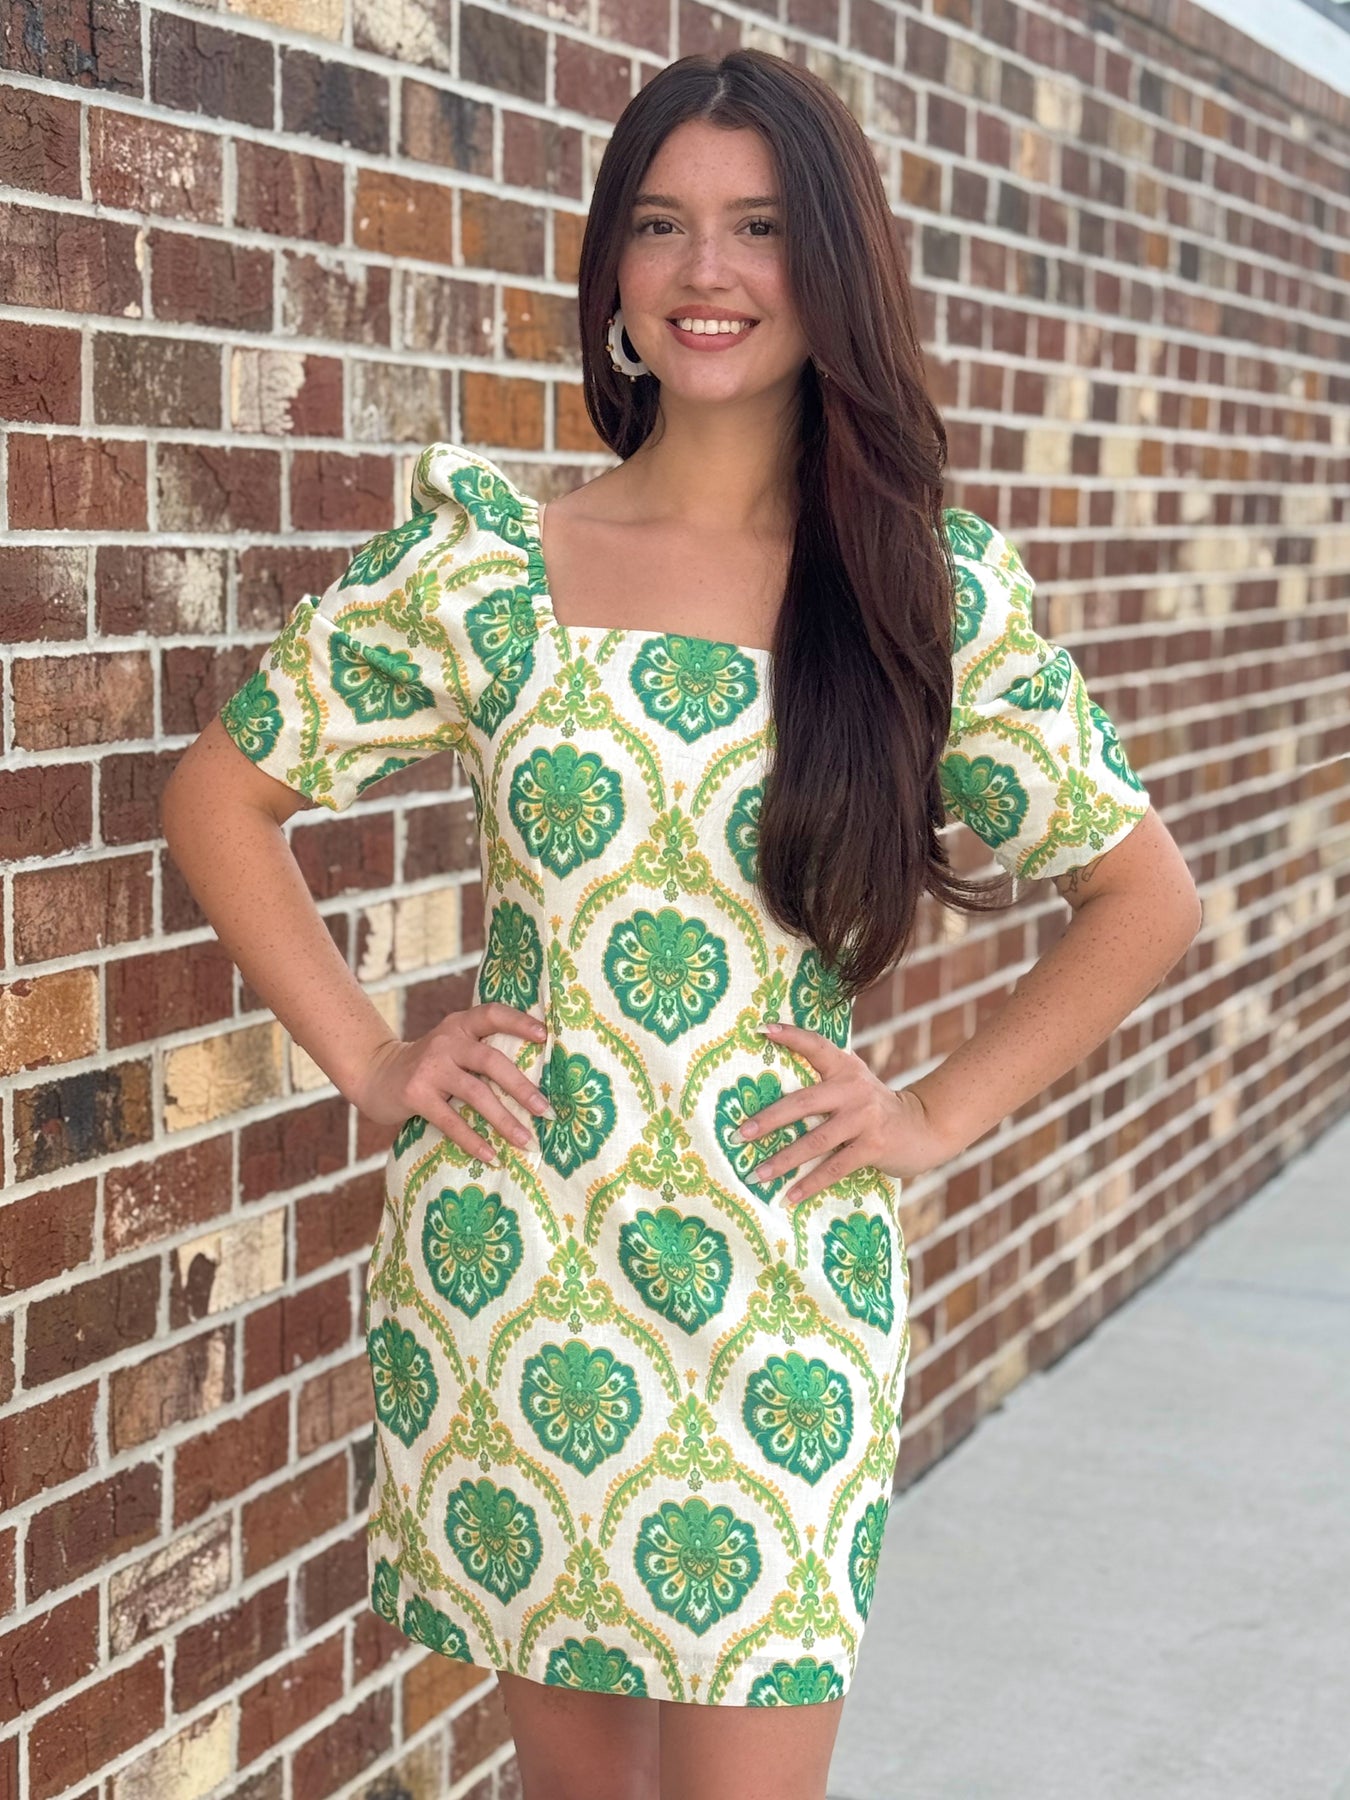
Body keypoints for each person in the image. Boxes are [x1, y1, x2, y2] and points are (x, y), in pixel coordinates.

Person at [162, 46, 1202, 1800]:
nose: (704, 272)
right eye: (659, 225)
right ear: (611, 268)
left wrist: (932, 1112)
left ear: (833, 265)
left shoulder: (918, 589)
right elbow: (221, 795)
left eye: (759, 227)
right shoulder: (484, 567)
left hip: (779, 1282)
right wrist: (371, 1058)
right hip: (517, 1272)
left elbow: (1140, 894)